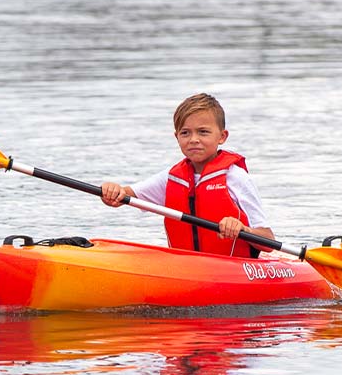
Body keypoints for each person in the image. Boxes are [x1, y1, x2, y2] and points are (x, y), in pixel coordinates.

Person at [100, 93, 273, 257]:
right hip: (185, 268)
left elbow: (268, 242)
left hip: (234, 269)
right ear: (177, 137)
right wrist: (112, 190)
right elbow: (122, 196)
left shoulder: (236, 178)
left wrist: (243, 230)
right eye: (185, 133)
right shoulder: (171, 178)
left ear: (222, 136)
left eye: (203, 132)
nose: (193, 139)